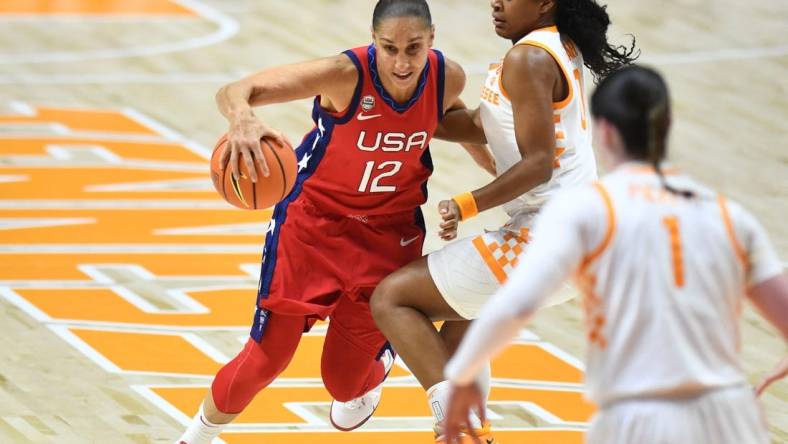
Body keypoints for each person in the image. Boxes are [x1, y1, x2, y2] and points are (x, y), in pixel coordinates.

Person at [175, 1, 494, 442]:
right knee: (266, 358)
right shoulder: (344, 75)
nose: (401, 62)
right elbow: (236, 89)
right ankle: (192, 437)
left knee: (343, 383)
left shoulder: (446, 78)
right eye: (389, 48)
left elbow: (462, 126)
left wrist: (511, 179)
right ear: (373, 41)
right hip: (313, 226)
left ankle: (378, 365)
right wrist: (242, 118)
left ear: (432, 40)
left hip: (388, 233)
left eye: (413, 48)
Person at [442, 65, 788, 444]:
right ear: (667, 126)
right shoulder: (728, 216)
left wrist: (460, 378)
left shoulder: (584, 212)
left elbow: (513, 307)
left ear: (603, 131)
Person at [370, 0, 637, 441]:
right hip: (574, 235)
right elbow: (482, 123)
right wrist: (410, 109)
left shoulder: (528, 58)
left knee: (392, 299)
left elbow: (538, 164)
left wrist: (466, 204)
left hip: (547, 236)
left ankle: (461, 426)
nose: (496, 2)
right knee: (461, 330)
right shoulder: (548, 45)